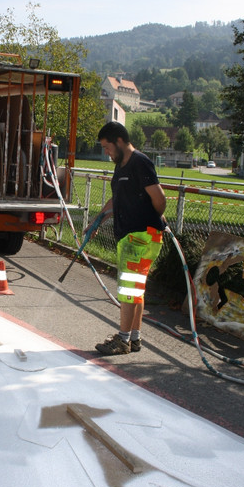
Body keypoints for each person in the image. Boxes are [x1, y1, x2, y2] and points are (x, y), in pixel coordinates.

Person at [91, 121, 167, 355]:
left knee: (128, 289)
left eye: (108, 147)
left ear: (120, 141)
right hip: (132, 235)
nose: (107, 152)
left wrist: (154, 218)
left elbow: (159, 198)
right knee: (136, 289)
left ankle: (122, 340)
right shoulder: (121, 166)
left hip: (141, 236)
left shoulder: (139, 162)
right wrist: (98, 220)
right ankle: (134, 339)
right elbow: (117, 200)